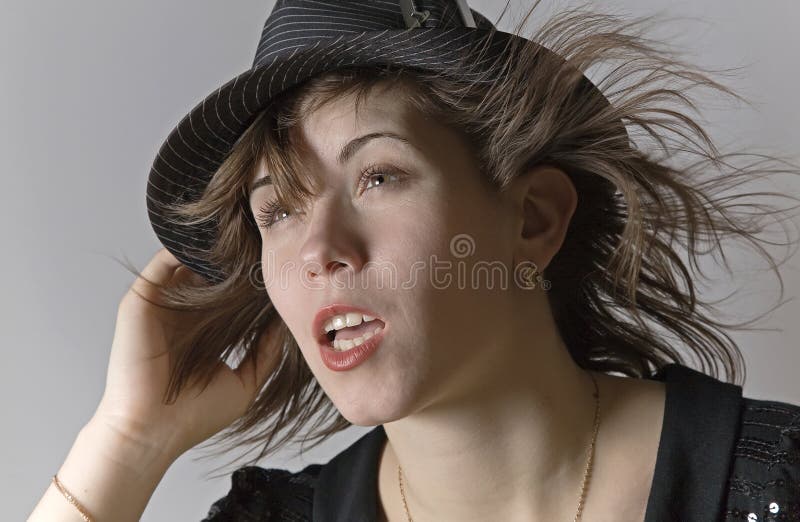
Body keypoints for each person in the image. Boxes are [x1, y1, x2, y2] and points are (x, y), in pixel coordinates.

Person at [28, 1, 800, 521]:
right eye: (277, 212)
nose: (320, 253)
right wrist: (128, 444)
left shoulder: (774, 481)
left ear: (532, 220)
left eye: (378, 177)